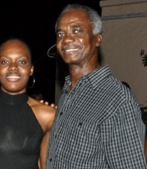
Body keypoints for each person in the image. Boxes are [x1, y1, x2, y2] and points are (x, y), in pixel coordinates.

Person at [46, 4, 147, 168]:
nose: (66, 39)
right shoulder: (67, 92)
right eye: (60, 33)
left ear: (97, 38)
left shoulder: (117, 98)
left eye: (77, 30)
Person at [0, 38, 56, 169]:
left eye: (22, 61)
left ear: (31, 69)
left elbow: (46, 165)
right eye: (5, 61)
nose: (13, 67)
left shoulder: (47, 115)